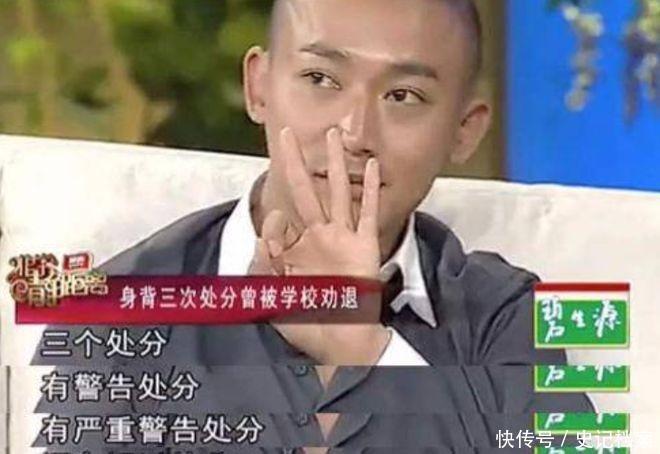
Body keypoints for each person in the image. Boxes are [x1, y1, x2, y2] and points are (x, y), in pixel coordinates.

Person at [34, 0, 593, 451]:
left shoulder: (510, 313)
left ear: (464, 130)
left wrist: (367, 353)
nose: (354, 132)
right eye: (321, 78)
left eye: (403, 95)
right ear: (259, 87)